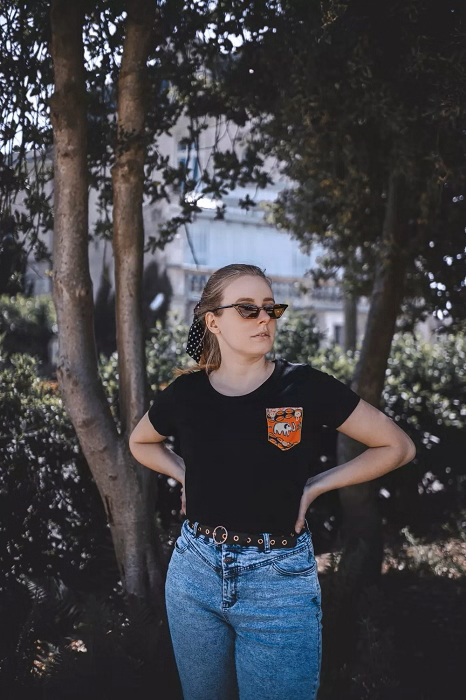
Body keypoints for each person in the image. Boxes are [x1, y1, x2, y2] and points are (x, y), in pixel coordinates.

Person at [129, 263, 416, 700]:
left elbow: (398, 446)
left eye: (271, 308)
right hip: (194, 573)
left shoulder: (303, 386)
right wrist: (186, 473)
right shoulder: (186, 394)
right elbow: (140, 442)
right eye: (247, 309)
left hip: (278, 582)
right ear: (213, 322)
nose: (264, 318)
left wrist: (316, 485)